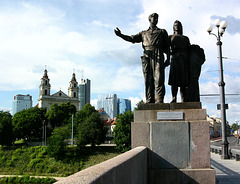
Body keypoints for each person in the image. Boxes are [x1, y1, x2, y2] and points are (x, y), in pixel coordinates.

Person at [114, 13, 170, 103]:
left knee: (159, 78)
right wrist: (121, 35)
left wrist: (168, 58)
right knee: (148, 79)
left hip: (158, 54)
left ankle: (159, 99)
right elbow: (131, 38)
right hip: (147, 56)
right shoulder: (143, 33)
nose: (156, 20)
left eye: (157, 18)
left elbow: (167, 46)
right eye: (154, 18)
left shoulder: (162, 32)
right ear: (149, 19)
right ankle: (149, 99)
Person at [168, 20, 191, 103]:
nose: (177, 26)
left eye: (178, 25)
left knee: (183, 82)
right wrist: (169, 53)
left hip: (184, 60)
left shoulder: (185, 38)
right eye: (175, 25)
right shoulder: (170, 37)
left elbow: (190, 49)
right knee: (174, 81)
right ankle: (174, 98)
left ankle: (183, 99)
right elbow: (165, 47)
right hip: (175, 59)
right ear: (173, 27)